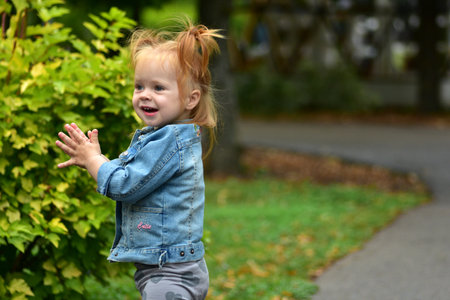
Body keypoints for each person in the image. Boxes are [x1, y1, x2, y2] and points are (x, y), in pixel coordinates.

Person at [55, 19, 223, 300]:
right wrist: (94, 160)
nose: (145, 95)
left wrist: (94, 159)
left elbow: (124, 186)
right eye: (139, 86)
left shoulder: (170, 141)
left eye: (159, 88)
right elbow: (130, 175)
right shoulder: (161, 137)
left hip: (170, 271)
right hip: (168, 266)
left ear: (191, 99)